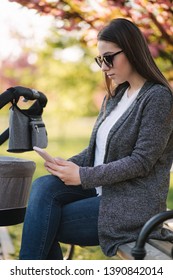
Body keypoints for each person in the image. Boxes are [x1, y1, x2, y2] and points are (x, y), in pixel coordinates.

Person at [19, 18, 173, 260]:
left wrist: (82, 176)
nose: (104, 67)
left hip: (131, 204)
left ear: (131, 50)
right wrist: (66, 166)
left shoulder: (158, 98)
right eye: (100, 59)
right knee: (43, 187)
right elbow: (95, 150)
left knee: (42, 222)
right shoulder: (115, 96)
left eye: (109, 58)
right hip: (102, 191)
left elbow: (142, 162)